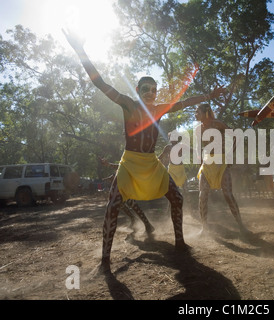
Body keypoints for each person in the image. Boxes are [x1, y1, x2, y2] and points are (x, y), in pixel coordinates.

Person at [63, 29, 228, 274]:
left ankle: (180, 242)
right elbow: (100, 83)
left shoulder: (160, 109)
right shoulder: (128, 104)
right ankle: (105, 262)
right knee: (112, 207)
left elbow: (184, 103)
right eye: (146, 88)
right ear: (138, 90)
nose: (151, 92)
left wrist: (208, 96)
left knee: (178, 198)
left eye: (154, 89)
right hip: (129, 164)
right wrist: (80, 50)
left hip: (151, 164)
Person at [194, 104, 250, 236]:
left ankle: (241, 226)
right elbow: (197, 146)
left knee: (228, 195)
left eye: (197, 112)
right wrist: (199, 158)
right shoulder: (198, 129)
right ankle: (204, 227)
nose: (195, 114)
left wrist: (230, 154)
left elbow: (237, 136)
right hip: (207, 163)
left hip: (221, 162)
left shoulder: (218, 124)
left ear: (205, 112)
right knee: (202, 195)